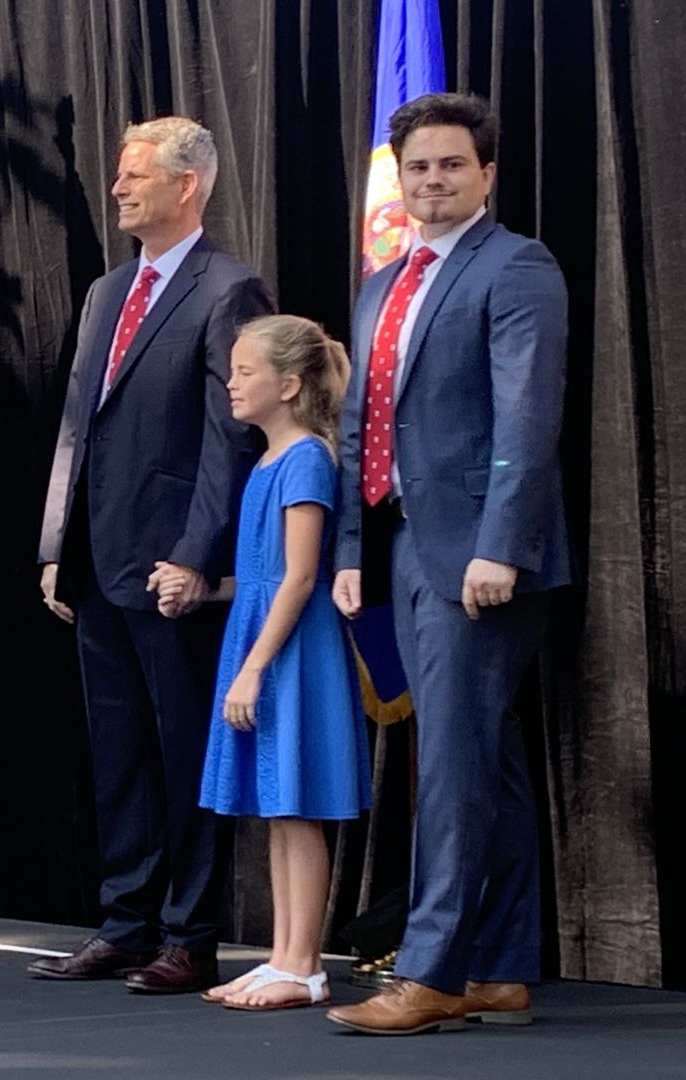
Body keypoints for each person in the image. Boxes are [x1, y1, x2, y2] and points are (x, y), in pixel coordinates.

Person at [326, 93, 570, 1035]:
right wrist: (351, 549)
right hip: (398, 550)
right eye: (418, 167)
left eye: (451, 166)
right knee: (486, 764)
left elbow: (527, 417)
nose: (432, 181)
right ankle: (500, 969)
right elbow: (360, 428)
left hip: (477, 559)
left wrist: (500, 545)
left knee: (453, 772)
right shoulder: (386, 282)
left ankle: (428, 976)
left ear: (486, 173)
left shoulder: (519, 266)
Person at [32, 117, 274, 994]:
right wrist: (59, 543)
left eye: (137, 175)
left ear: (188, 185)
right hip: (98, 564)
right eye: (120, 173)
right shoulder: (106, 291)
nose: (120, 187)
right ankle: (126, 922)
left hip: (172, 570)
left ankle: (190, 933)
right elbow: (76, 426)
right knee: (120, 753)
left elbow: (228, 440)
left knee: (183, 754)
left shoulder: (229, 290)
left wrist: (196, 556)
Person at [162, 315, 372, 1011]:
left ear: (287, 385)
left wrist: (253, 667)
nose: (232, 382)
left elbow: (301, 577)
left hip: (291, 649)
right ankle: (283, 956)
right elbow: (263, 571)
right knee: (278, 809)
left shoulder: (307, 459)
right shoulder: (267, 461)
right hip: (262, 635)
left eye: (246, 371)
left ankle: (305, 966)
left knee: (299, 804)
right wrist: (204, 587)